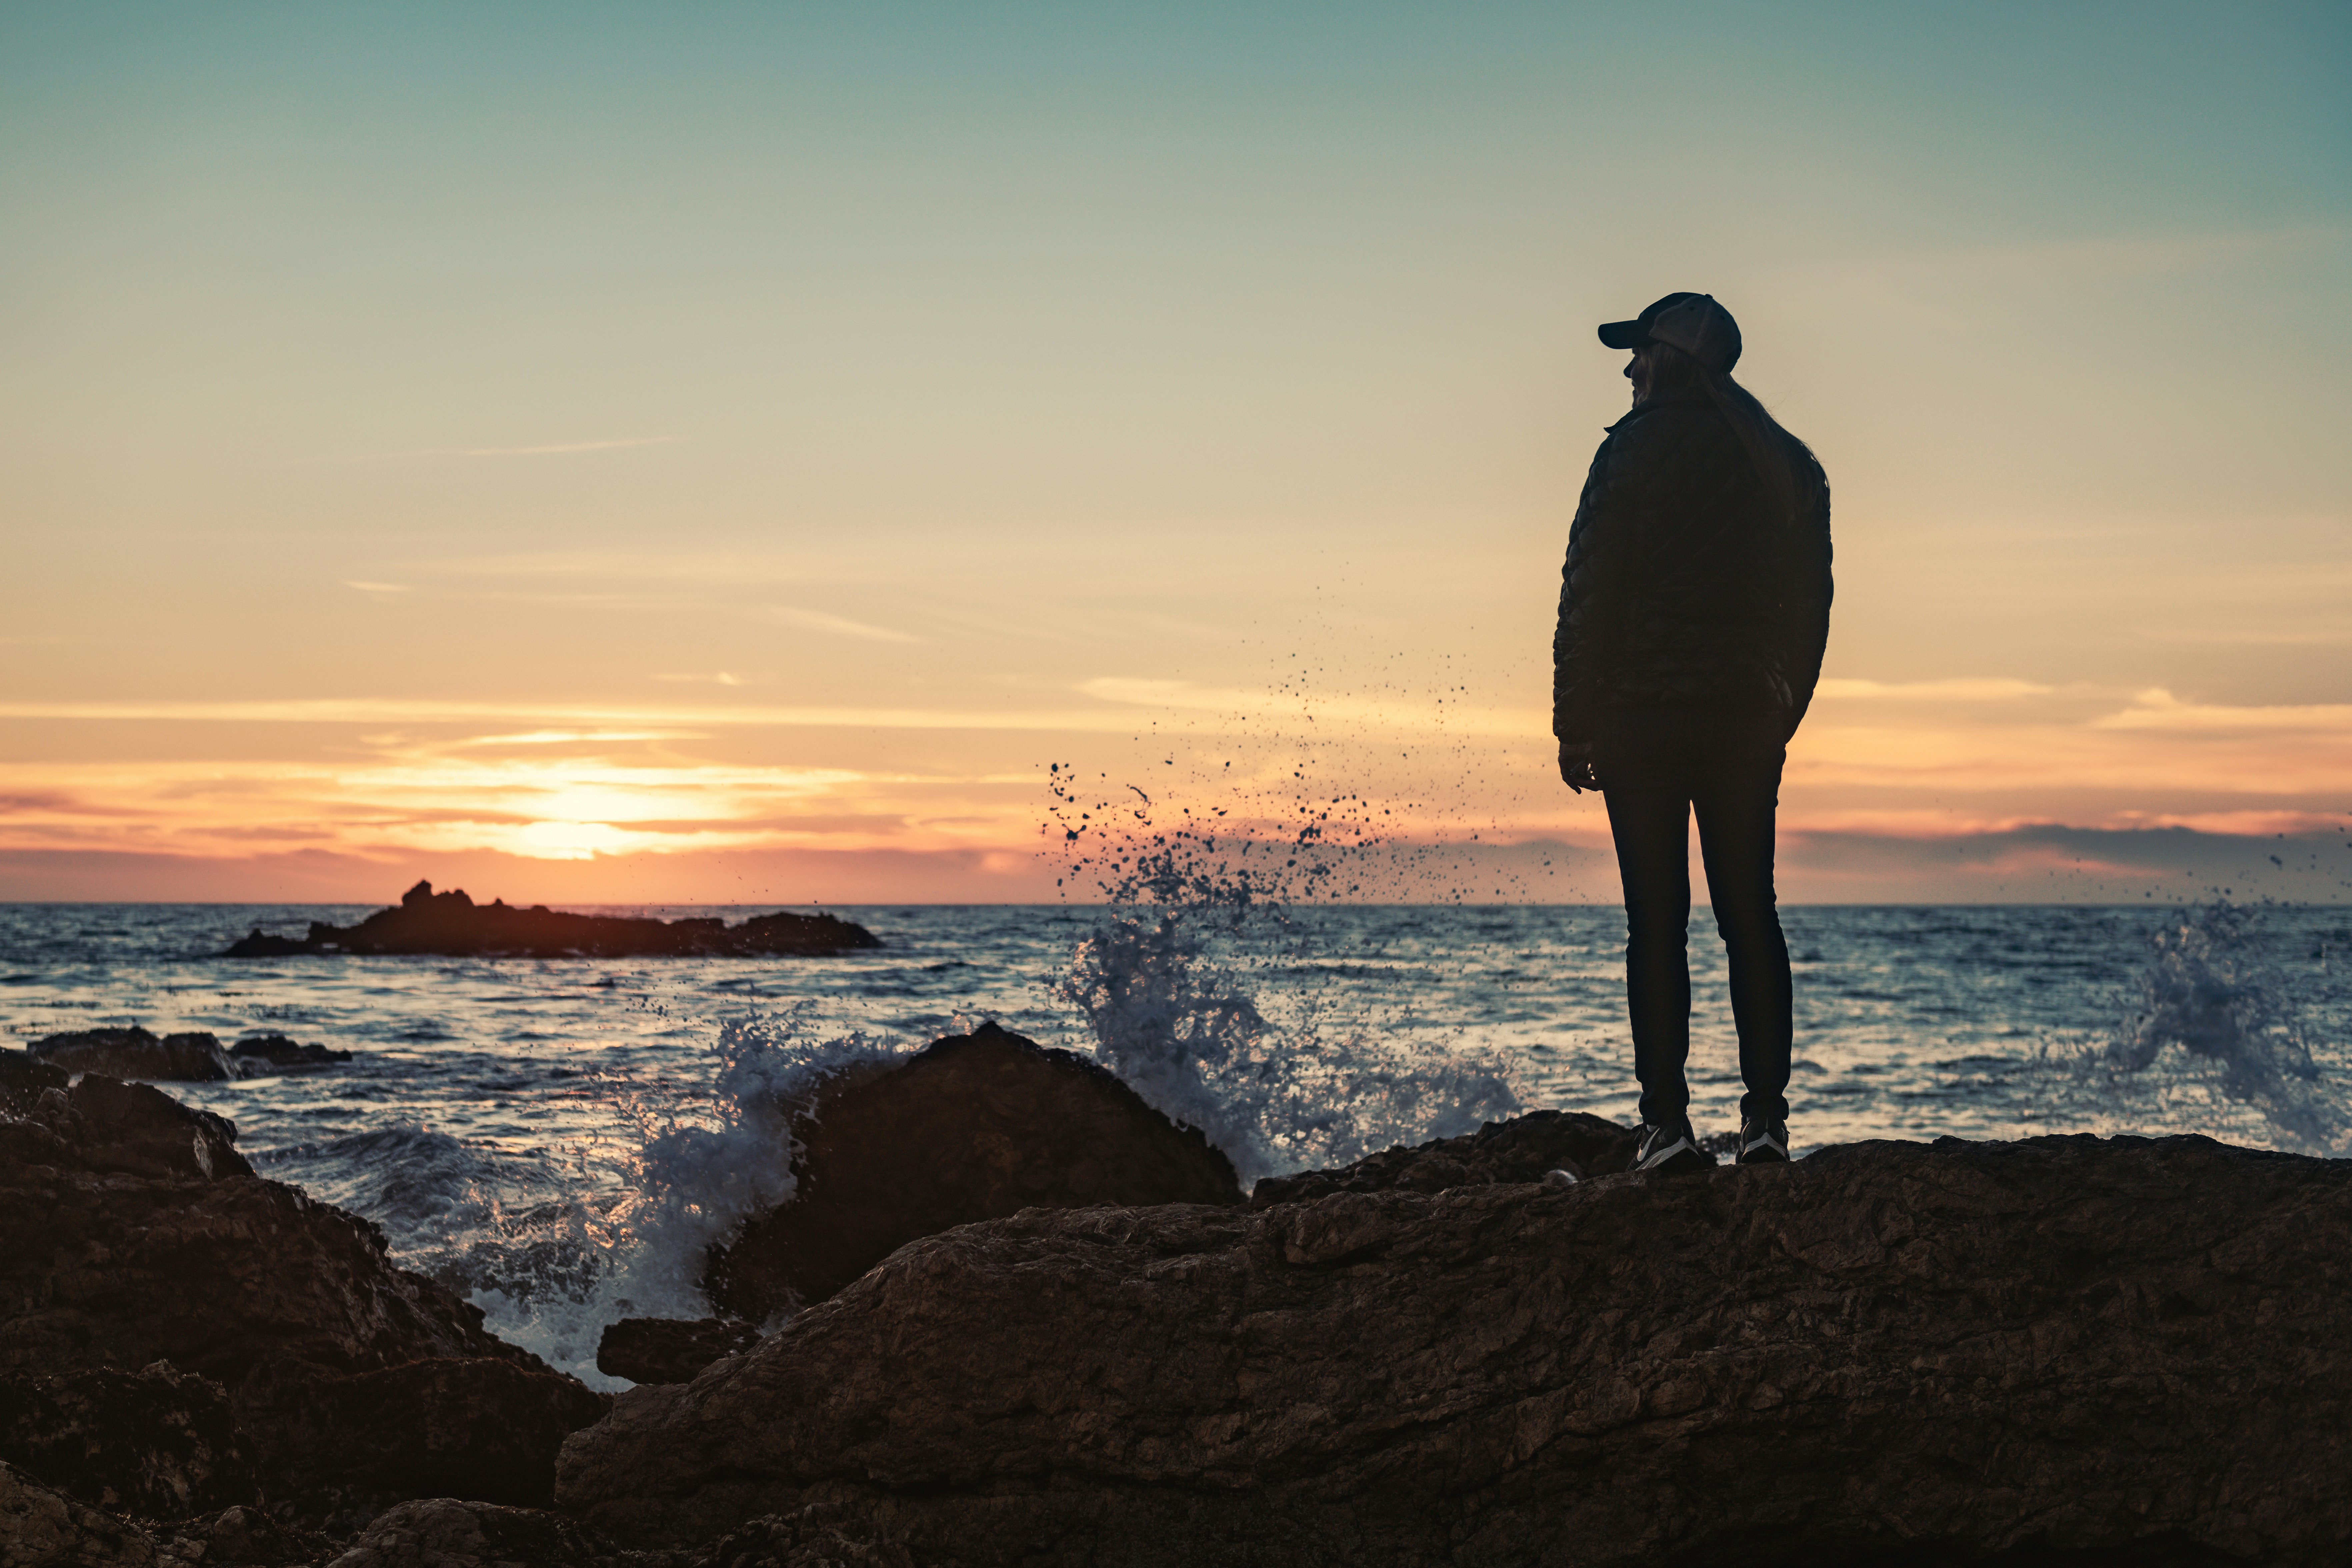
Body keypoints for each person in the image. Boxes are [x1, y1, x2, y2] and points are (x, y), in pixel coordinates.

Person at [1552, 292, 1832, 1173]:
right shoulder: (1786, 463)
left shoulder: (1629, 452)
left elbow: (1591, 591)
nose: (1629, 367)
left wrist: (1574, 721)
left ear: (1671, 358)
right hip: (1746, 717)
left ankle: (1666, 1130)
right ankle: (1765, 1127)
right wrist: (1783, 710)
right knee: (1752, 917)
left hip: (1641, 715)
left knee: (1657, 924)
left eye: (1638, 351)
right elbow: (1811, 607)